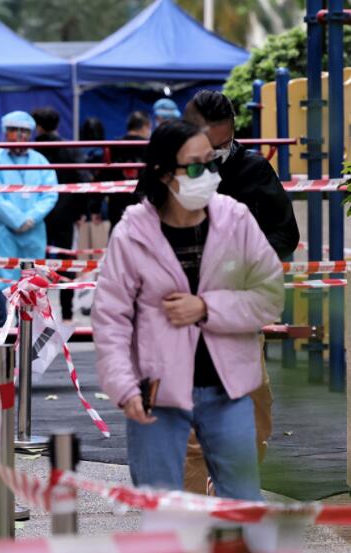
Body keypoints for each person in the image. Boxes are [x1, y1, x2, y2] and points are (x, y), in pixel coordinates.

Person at [93, 119, 283, 501]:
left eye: (212, 163)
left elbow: (269, 295)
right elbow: (110, 318)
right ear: (164, 174)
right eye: (195, 167)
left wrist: (206, 307)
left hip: (228, 389)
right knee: (162, 506)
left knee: (243, 503)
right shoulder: (133, 233)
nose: (209, 175)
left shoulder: (236, 219)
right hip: (156, 394)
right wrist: (123, 387)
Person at [181, 89, 300, 495]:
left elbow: (286, 232)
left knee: (254, 411)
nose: (216, 153)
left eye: (223, 143)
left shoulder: (252, 170)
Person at [0, 111, 58, 326]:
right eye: (15, 130)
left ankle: (31, 342)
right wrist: (17, 220)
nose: (20, 135)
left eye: (25, 131)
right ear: (5, 132)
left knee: (32, 284)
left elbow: (50, 193)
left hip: (34, 232)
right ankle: (3, 340)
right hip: (4, 231)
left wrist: (31, 218)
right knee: (2, 281)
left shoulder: (40, 160)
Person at [33, 107, 89, 323]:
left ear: (37, 125)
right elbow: (83, 177)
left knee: (37, 263)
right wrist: (81, 210)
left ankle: (37, 312)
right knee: (67, 263)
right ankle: (66, 315)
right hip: (66, 213)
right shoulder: (69, 147)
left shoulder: (32, 149)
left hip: (39, 215)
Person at [106, 111, 151, 231]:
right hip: (143, 206)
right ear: (146, 125)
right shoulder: (150, 147)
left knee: (116, 239)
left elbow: (103, 175)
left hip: (116, 205)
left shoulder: (113, 146)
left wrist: (95, 206)